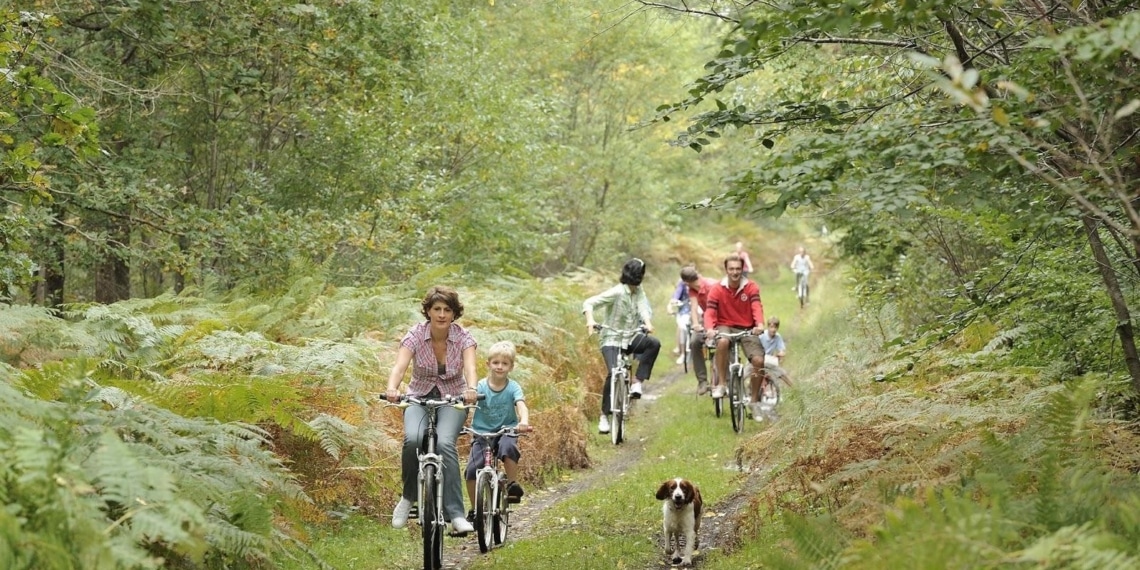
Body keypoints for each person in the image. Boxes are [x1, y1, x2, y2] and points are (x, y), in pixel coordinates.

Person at [385, 285, 478, 534]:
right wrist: (392, 388)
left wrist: (471, 388)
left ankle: (456, 514)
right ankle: (408, 498)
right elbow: (399, 366)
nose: (441, 314)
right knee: (413, 439)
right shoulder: (415, 335)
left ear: (454, 313)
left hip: (454, 399)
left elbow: (471, 368)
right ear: (428, 311)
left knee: (446, 443)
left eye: (447, 309)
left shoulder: (464, 338)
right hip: (418, 397)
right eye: (436, 309)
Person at [583, 258, 661, 434]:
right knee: (612, 373)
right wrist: (590, 320)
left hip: (630, 336)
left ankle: (637, 382)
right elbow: (590, 302)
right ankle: (604, 415)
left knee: (653, 344)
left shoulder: (639, 291)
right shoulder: (617, 292)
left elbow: (643, 307)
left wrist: (648, 323)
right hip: (611, 338)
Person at [465, 341, 530, 520]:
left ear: (511, 366)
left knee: (508, 448)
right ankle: (474, 510)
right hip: (481, 433)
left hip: (506, 430)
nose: (500, 367)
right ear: (488, 364)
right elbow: (467, 404)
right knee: (471, 471)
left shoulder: (513, 387)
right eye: (496, 363)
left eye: (504, 363)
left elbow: (521, 405)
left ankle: (511, 484)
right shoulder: (480, 386)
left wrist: (523, 421)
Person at [703, 254, 765, 412]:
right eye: (731, 269)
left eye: (738, 269)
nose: (735, 272)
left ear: (742, 269)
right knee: (722, 342)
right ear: (726, 270)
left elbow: (756, 307)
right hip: (725, 326)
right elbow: (710, 312)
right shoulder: (717, 289)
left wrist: (759, 324)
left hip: (747, 328)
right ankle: (722, 384)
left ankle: (754, 400)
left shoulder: (751, 287)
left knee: (758, 360)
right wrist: (710, 328)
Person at [680, 265, 719, 395]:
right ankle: (702, 381)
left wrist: (711, 327)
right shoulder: (692, 289)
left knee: (723, 342)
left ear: (686, 281)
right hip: (707, 320)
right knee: (694, 342)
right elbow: (694, 308)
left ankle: (727, 379)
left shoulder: (711, 285)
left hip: (721, 319)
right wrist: (696, 324)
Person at [755, 316, 792, 415]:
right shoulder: (762, 336)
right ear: (768, 327)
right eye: (771, 327)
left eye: (775, 327)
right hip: (759, 359)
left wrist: (781, 353)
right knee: (750, 372)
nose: (773, 330)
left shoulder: (777, 337)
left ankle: (795, 390)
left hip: (769, 361)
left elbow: (782, 350)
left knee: (782, 374)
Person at [667, 277, 691, 365]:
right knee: (682, 328)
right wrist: (672, 304)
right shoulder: (682, 284)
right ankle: (682, 353)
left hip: (697, 310)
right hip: (684, 311)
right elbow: (676, 296)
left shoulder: (699, 282)